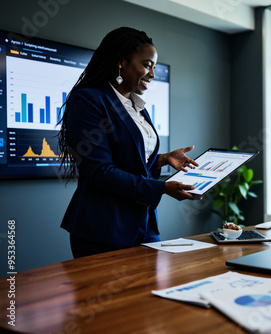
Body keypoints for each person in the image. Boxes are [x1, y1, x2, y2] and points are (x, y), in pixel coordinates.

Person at [58, 27, 199, 258]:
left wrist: (163, 159)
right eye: (147, 64)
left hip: (143, 226)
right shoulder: (89, 99)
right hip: (103, 229)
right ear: (122, 62)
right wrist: (161, 188)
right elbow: (100, 171)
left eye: (154, 66)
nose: (152, 74)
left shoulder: (136, 105)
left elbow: (129, 161)